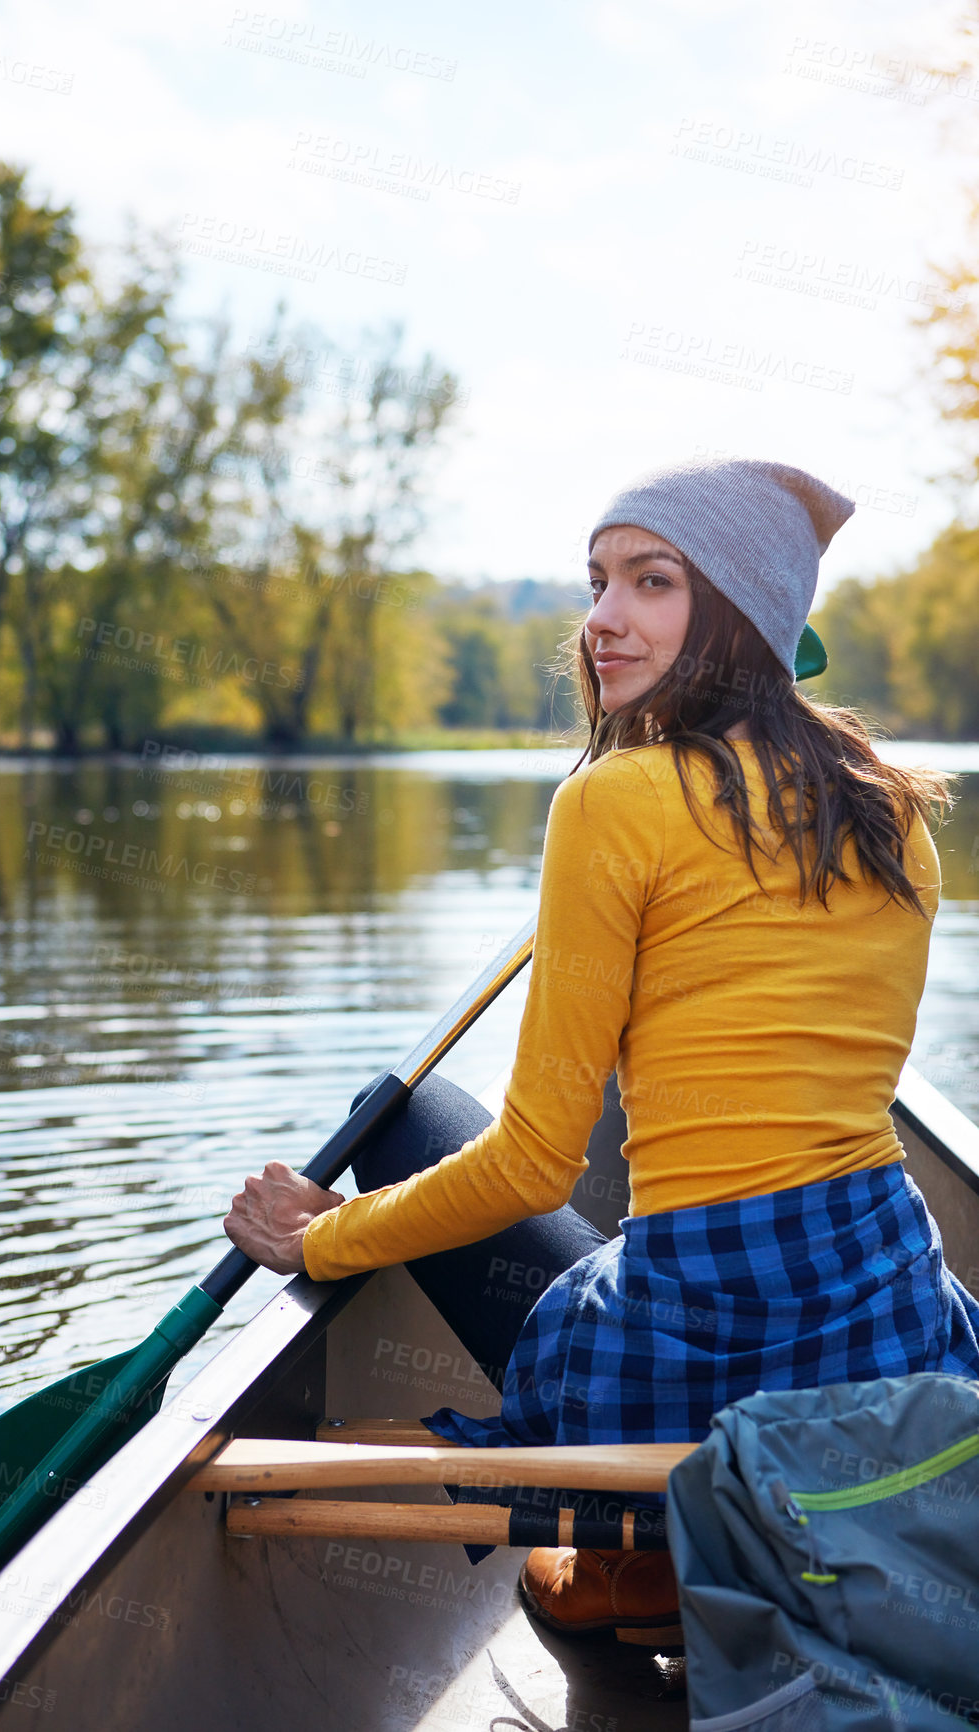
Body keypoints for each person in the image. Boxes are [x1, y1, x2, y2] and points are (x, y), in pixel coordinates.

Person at [224, 457, 979, 1637]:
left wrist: (326, 1241)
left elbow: (530, 1165)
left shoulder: (611, 802)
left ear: (733, 610)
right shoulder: (889, 809)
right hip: (877, 1304)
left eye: (651, 581)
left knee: (406, 1128)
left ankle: (650, 1565)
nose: (602, 619)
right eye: (596, 581)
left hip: (702, 1334)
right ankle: (701, 1556)